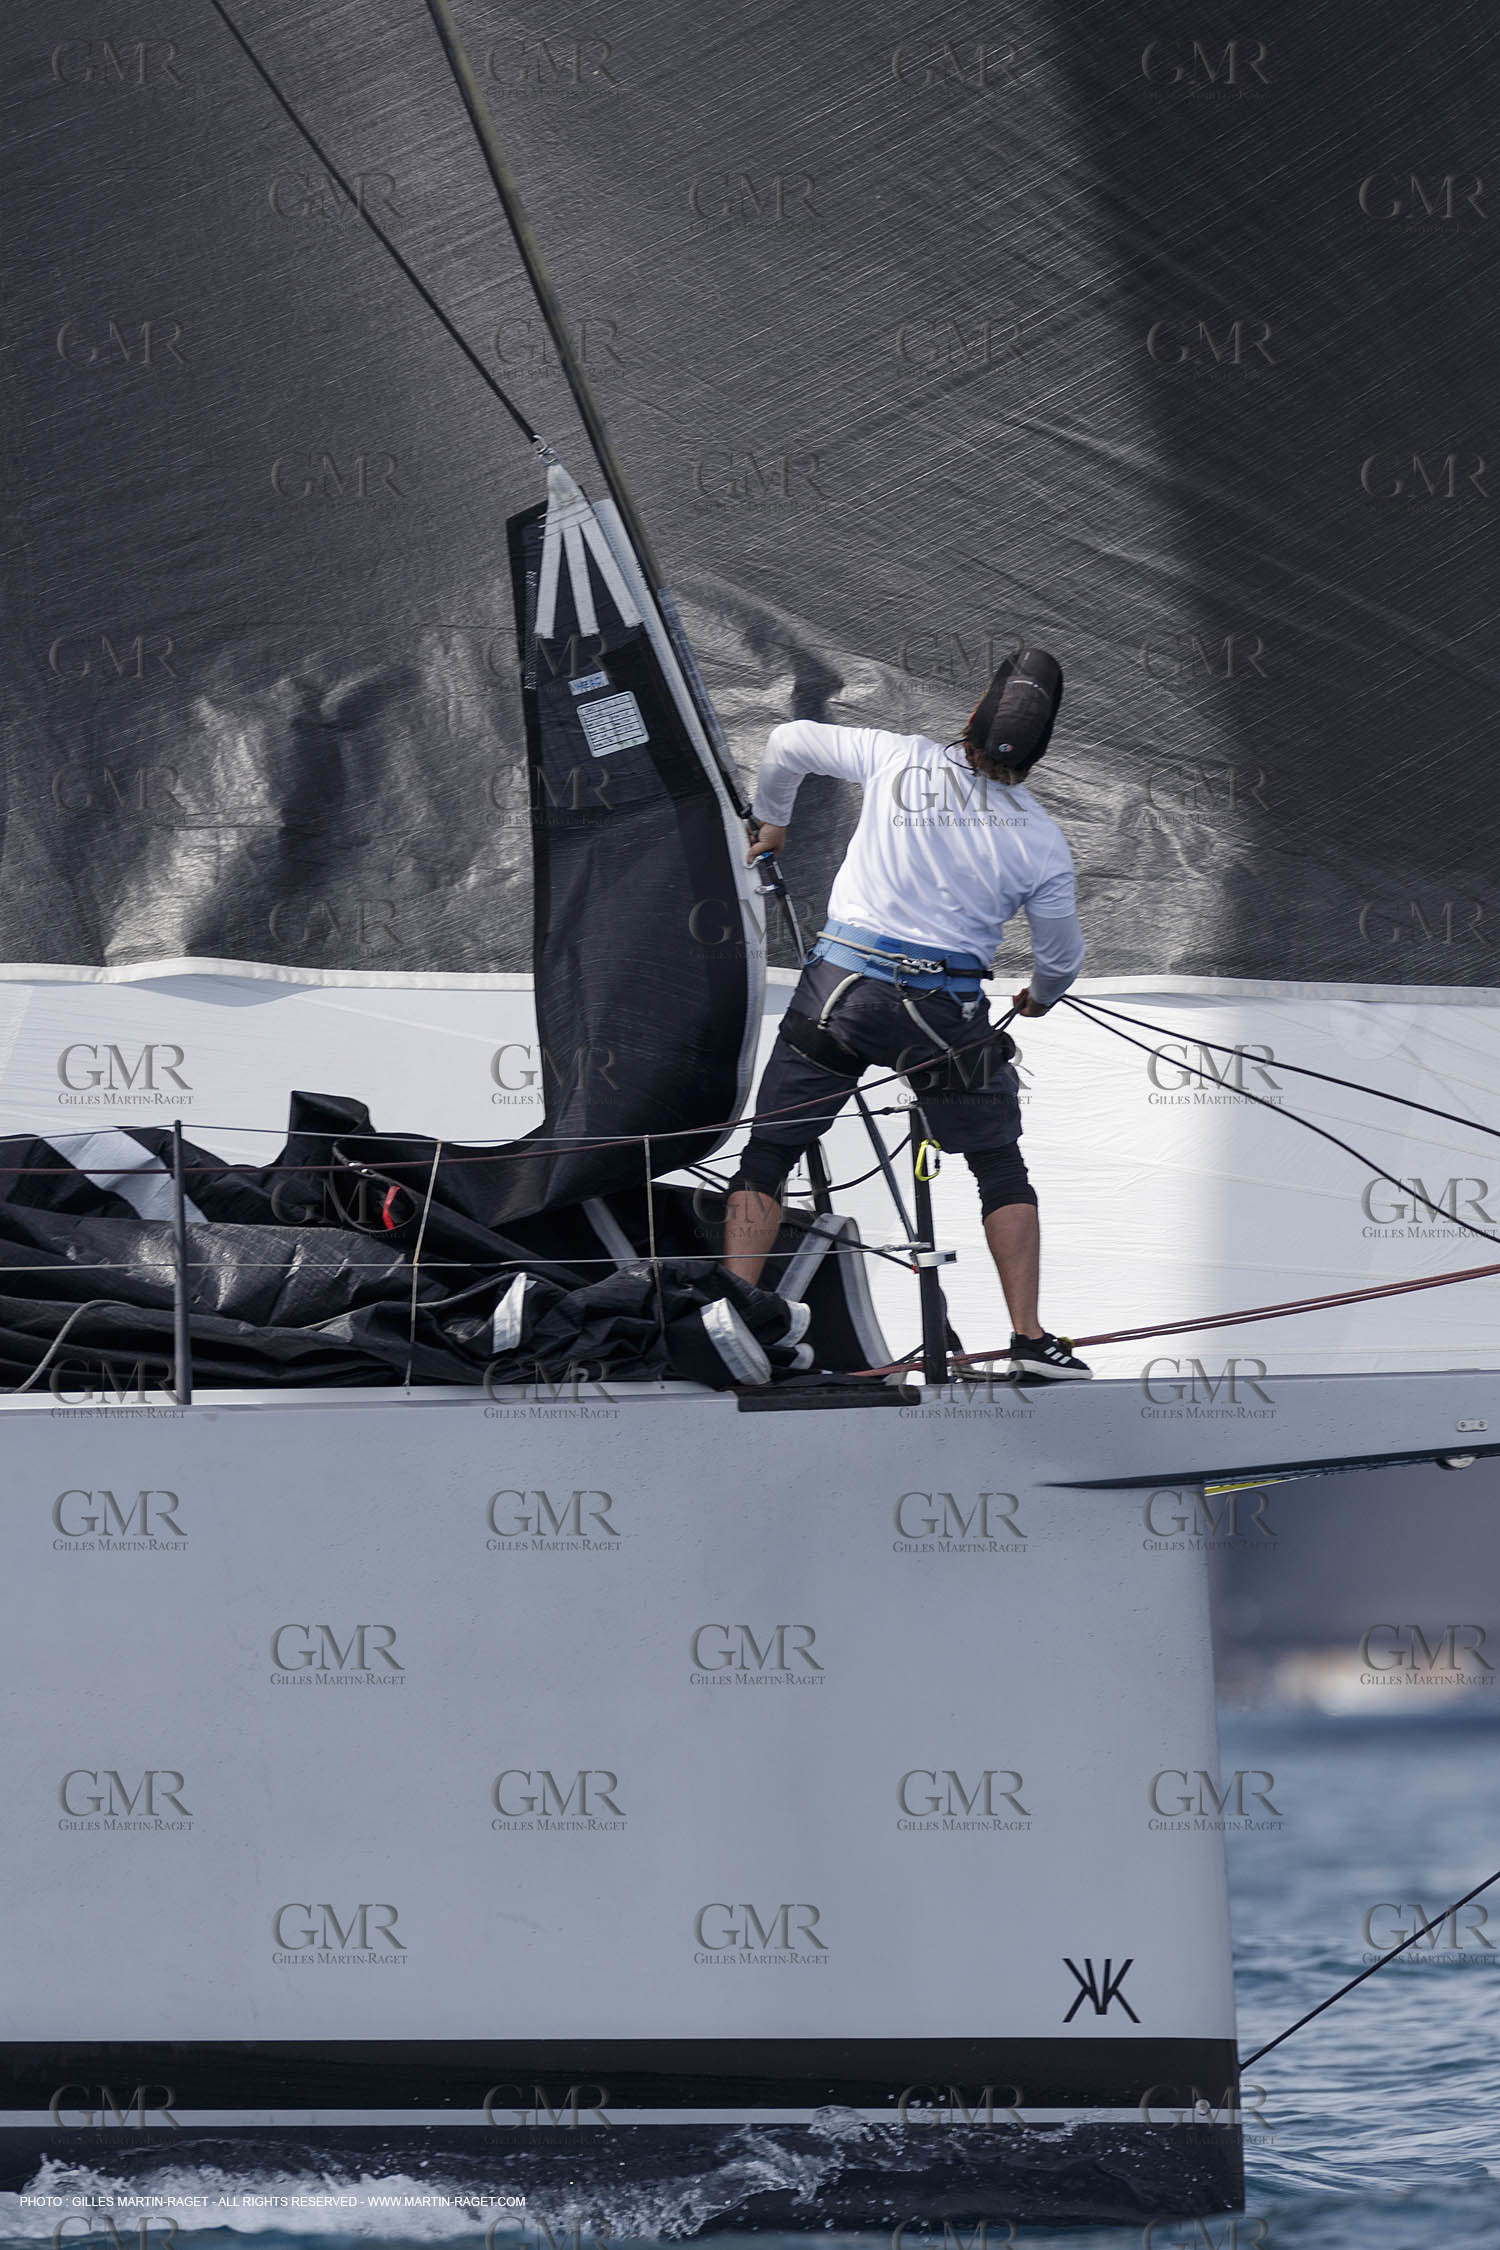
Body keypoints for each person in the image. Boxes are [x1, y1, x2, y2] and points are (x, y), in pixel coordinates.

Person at [721, 649, 1090, 1380]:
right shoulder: (1042, 839)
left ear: (970, 717)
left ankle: (729, 1322)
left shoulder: (901, 757)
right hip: (942, 1018)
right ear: (1039, 755)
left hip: (838, 994)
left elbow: (787, 743)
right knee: (998, 1166)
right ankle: (1029, 1340)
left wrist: (775, 823)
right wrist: (1040, 997)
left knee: (767, 1156)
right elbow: (1061, 961)